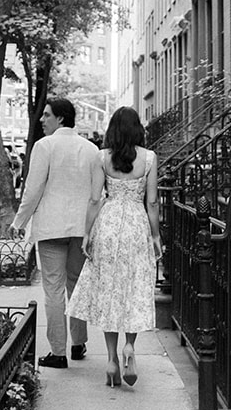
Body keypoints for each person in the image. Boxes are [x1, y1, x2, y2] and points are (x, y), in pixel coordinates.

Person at [67, 105, 162, 389]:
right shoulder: (149, 158)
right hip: (136, 225)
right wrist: (156, 237)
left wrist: (87, 234)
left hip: (108, 225)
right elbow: (153, 202)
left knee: (109, 290)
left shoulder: (102, 157)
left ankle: (110, 360)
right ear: (137, 130)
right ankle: (129, 347)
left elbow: (95, 199)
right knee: (133, 287)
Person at [10, 96, 104, 370]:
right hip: (80, 228)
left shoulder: (44, 146)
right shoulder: (91, 149)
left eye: (47, 115)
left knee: (53, 288)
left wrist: (19, 221)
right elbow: (96, 193)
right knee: (76, 285)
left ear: (61, 118)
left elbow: (34, 188)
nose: (42, 119)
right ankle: (78, 343)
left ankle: (58, 352)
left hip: (51, 226)